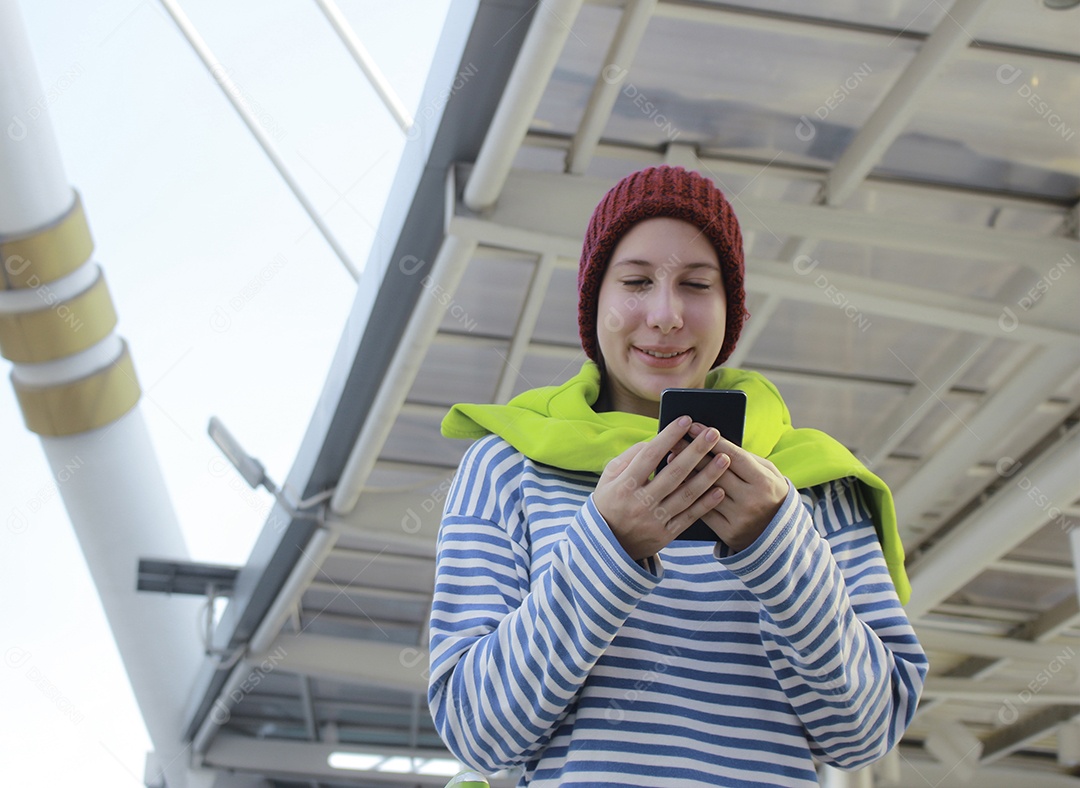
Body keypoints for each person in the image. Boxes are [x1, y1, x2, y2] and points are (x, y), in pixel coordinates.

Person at [428, 165, 927, 787]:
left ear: (729, 308)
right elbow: (478, 732)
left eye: (696, 284)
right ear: (594, 299)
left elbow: (864, 733)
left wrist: (778, 547)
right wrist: (607, 549)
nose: (665, 314)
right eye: (636, 281)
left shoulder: (816, 486)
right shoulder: (507, 466)